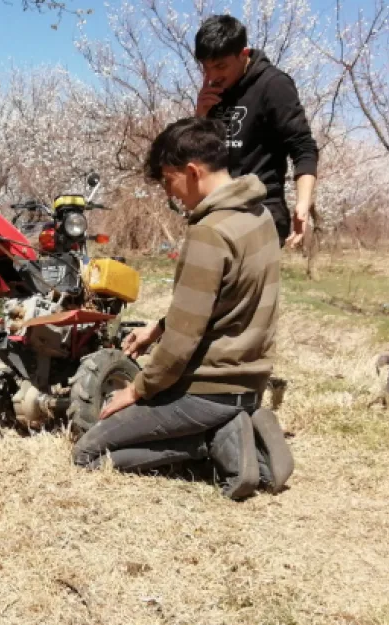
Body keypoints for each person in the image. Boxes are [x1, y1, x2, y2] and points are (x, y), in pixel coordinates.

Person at [72, 117, 294, 499]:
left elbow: (182, 342)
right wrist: (158, 327)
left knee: (88, 453)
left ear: (191, 172)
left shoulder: (210, 230)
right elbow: (225, 299)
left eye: (167, 181)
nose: (168, 194)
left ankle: (208, 443)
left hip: (206, 391)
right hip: (249, 382)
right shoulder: (259, 217)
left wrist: (137, 390)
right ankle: (240, 429)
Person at [194, 14, 318, 248]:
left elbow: (303, 146)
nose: (212, 76)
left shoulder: (273, 85)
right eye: (206, 68)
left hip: (260, 212)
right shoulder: (213, 92)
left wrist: (303, 203)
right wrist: (200, 114)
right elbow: (200, 153)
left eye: (220, 66)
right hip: (218, 210)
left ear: (243, 54)